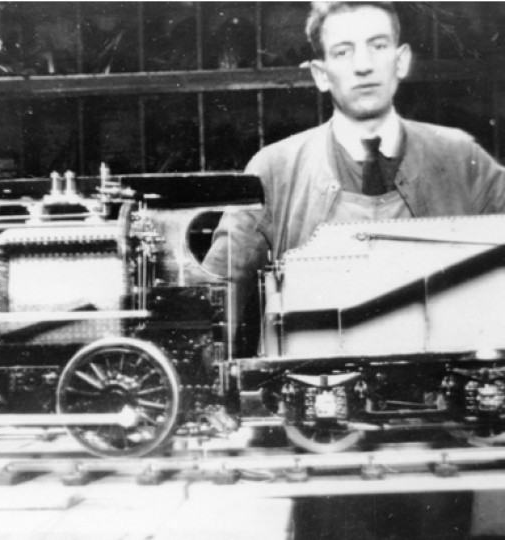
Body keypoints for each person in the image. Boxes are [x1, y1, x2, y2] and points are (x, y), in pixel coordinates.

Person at [202, 1, 505, 354]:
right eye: (343, 52)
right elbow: (214, 302)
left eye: (378, 46)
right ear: (320, 74)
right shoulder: (272, 170)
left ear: (401, 60)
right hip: (311, 396)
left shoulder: (464, 160)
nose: (364, 66)